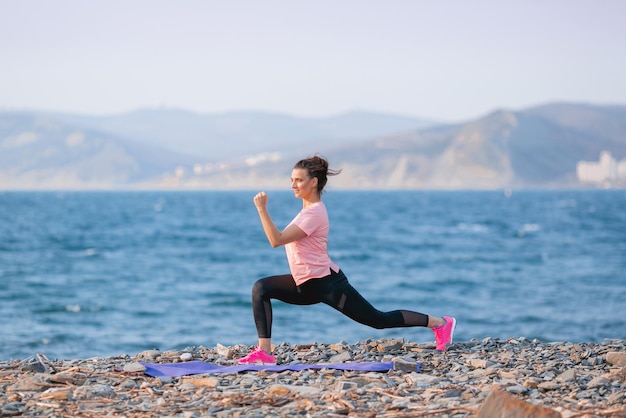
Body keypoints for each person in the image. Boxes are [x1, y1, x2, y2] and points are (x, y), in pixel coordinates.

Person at [238, 155, 456, 365]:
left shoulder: (313, 213)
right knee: (261, 288)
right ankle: (265, 352)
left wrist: (261, 209)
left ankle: (440, 323)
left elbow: (276, 240)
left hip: (327, 284)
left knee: (378, 320)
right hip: (305, 282)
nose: (293, 185)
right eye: (292, 180)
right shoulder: (307, 210)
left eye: (298, 180)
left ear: (313, 183)